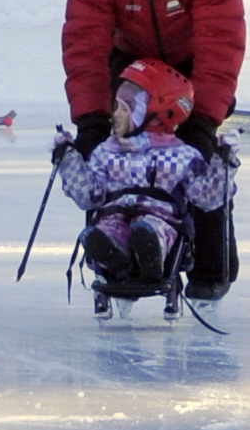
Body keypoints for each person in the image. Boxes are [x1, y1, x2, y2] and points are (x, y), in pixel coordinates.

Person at [61, 0, 245, 301]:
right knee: (110, 154)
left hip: (191, 64)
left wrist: (203, 121)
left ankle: (211, 265)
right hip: (128, 66)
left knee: (197, 161)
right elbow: (84, 38)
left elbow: (222, 39)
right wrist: (89, 120)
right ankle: (115, 252)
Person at [53, 59, 232, 288]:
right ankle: (115, 256)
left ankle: (150, 256)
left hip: (162, 219)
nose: (114, 114)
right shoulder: (107, 152)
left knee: (150, 229)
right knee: (107, 231)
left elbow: (207, 197)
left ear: (151, 113)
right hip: (116, 216)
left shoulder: (180, 156)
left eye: (124, 108)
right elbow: (89, 195)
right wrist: (67, 158)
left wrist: (224, 164)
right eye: (115, 106)